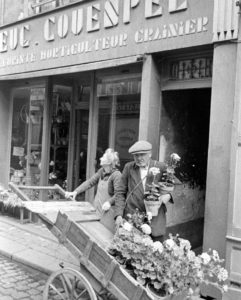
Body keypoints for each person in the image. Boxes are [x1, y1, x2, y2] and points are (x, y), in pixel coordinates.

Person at [114, 140, 174, 242]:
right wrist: (118, 214)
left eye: (142, 155)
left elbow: (173, 185)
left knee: (156, 251)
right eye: (136, 155)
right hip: (133, 218)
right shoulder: (129, 167)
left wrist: (168, 195)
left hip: (155, 219)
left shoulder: (161, 167)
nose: (139, 158)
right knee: (131, 252)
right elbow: (120, 192)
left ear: (150, 154)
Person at [65, 148, 121, 232]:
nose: (100, 159)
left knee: (104, 236)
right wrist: (75, 192)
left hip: (108, 215)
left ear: (109, 162)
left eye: (103, 157)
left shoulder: (116, 175)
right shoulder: (101, 171)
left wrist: (109, 202)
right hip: (97, 211)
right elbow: (90, 182)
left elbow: (119, 194)